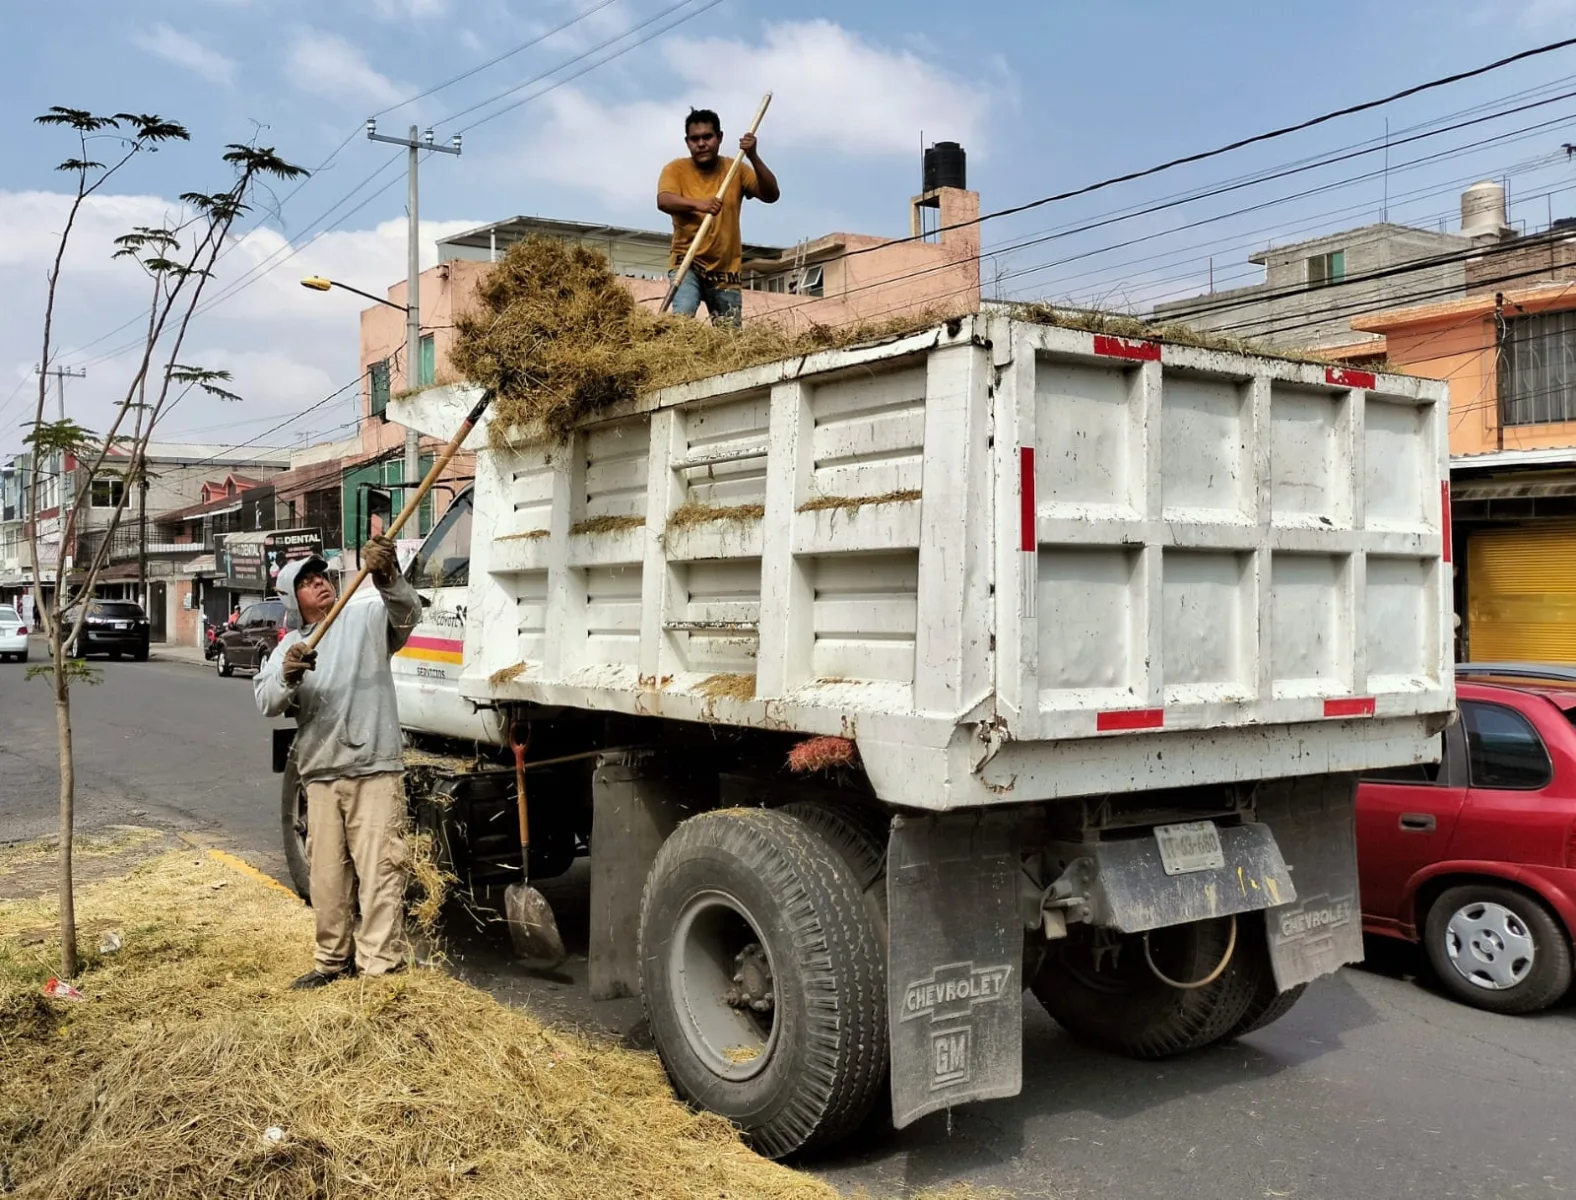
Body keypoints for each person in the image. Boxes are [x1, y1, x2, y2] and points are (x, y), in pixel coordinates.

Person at [254, 536, 421, 990]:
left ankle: (379, 969)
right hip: (321, 775)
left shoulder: (365, 616)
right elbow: (266, 701)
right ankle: (331, 963)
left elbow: (408, 616)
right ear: (293, 598)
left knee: (381, 874)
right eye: (307, 583)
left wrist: (388, 576)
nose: (320, 585)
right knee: (327, 881)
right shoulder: (288, 647)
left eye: (321, 577)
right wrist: (289, 673)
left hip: (375, 768)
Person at [657, 106, 780, 326]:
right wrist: (699, 205)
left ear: (720, 137)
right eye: (695, 139)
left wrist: (753, 156)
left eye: (707, 137)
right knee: (682, 319)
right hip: (687, 262)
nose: (701, 143)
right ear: (687, 142)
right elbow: (664, 200)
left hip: (725, 273)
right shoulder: (675, 169)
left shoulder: (736, 170)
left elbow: (771, 195)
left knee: (730, 337)